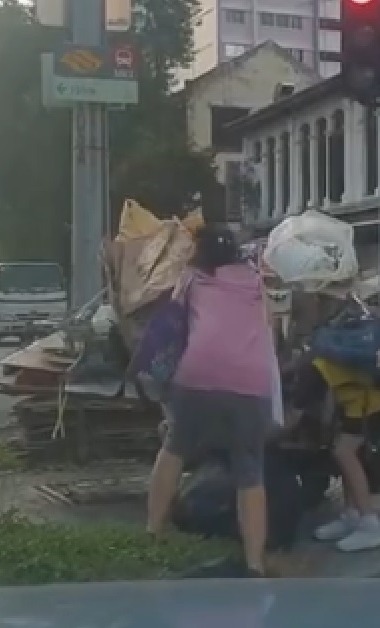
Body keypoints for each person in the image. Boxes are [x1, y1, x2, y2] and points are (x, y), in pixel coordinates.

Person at [145, 225, 276, 578]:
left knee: (175, 447)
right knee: (251, 469)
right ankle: (254, 563)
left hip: (198, 374)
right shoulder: (256, 280)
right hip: (251, 380)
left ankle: (152, 533)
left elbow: (174, 322)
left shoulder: (191, 278)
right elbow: (270, 325)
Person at [298, 294, 380, 553]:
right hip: (364, 400)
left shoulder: (317, 353)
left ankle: (370, 523)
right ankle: (353, 514)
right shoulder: (333, 339)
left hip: (365, 403)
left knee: (344, 452)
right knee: (349, 453)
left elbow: (305, 402)